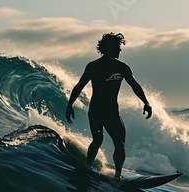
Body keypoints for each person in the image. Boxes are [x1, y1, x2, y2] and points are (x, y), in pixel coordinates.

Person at [65, 32, 152, 179]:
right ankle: (89, 167)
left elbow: (134, 86)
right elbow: (79, 86)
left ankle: (117, 175)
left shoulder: (122, 68)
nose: (120, 50)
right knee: (99, 140)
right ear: (109, 48)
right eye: (118, 47)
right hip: (97, 111)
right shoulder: (94, 66)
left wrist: (146, 102)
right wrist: (69, 105)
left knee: (119, 143)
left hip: (111, 112)